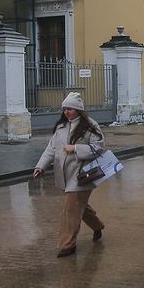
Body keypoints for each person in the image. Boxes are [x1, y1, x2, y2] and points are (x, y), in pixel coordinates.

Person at [33, 91, 106, 257]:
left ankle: (67, 244)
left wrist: (75, 148)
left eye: (70, 109)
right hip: (64, 174)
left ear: (78, 110)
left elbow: (99, 148)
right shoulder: (61, 127)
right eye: (64, 109)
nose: (66, 112)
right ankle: (98, 226)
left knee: (70, 210)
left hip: (83, 175)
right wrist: (41, 166)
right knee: (79, 206)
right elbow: (51, 149)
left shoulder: (90, 126)